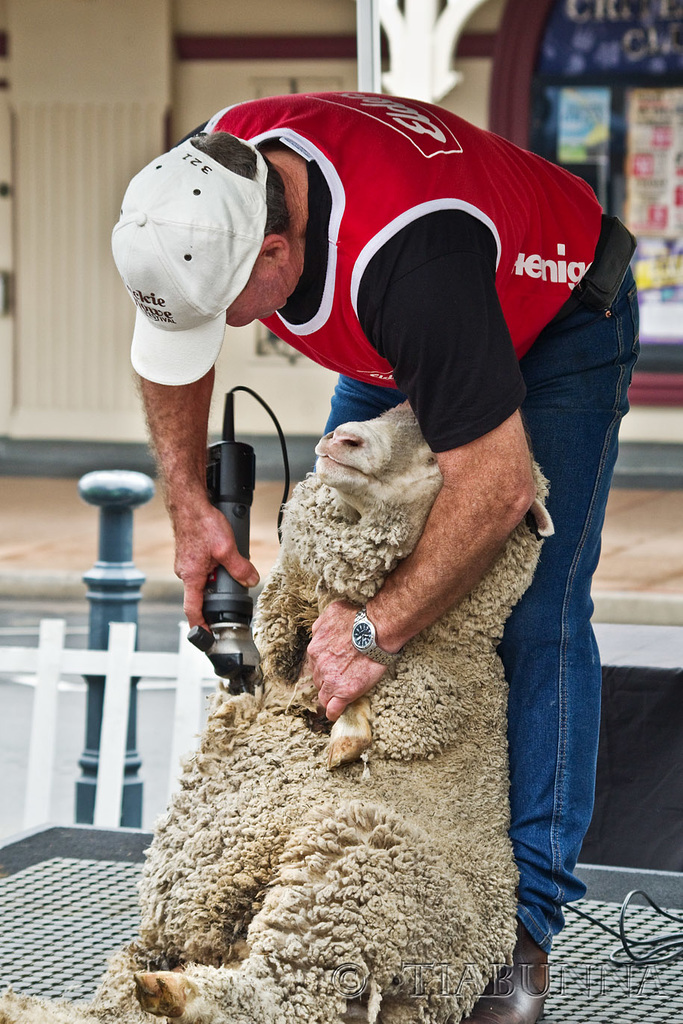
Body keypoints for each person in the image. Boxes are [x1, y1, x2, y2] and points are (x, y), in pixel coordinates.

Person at [112, 91, 639, 1023]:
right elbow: (171, 359)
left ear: (274, 254)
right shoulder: (209, 184)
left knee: (535, 609)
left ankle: (524, 931)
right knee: (335, 565)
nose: (229, 331)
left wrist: (374, 631)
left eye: (228, 310)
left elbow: (499, 488)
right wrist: (190, 509)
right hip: (397, 334)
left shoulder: (411, 262)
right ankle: (330, 861)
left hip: (556, 315)